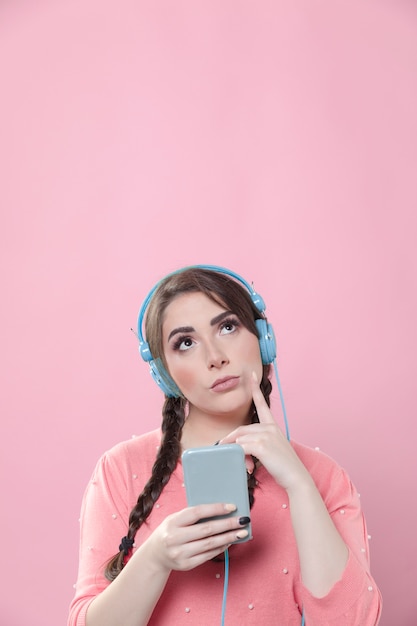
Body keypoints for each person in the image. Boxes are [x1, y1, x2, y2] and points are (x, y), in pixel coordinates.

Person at [68, 265, 382, 626]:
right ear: (165, 373)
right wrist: (154, 558)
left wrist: (299, 484)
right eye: (185, 342)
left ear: (263, 340)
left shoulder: (323, 477)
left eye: (227, 327)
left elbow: (354, 621)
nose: (215, 357)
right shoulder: (120, 469)